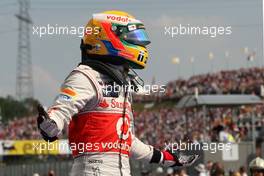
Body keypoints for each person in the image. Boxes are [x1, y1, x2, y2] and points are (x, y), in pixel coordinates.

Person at [37, 10, 199, 176]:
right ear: (107, 36)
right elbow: (62, 109)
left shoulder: (122, 85)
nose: (140, 44)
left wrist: (166, 158)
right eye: (133, 38)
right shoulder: (85, 75)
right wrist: (51, 124)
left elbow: (128, 142)